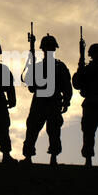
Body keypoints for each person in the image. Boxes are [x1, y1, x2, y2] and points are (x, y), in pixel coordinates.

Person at [21, 34, 72, 166]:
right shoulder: (40, 66)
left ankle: (53, 157)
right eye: (47, 47)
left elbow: (67, 86)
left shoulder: (60, 66)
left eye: (50, 47)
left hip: (53, 100)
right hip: (40, 100)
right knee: (32, 128)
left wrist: (66, 101)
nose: (48, 49)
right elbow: (31, 87)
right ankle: (28, 156)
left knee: (54, 130)